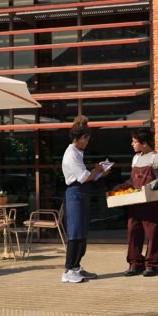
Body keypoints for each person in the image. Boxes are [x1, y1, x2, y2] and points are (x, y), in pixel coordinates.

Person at [113, 128, 158, 277]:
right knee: (133, 232)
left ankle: (152, 264)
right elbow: (133, 180)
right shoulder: (136, 158)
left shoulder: (157, 158)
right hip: (135, 202)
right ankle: (135, 263)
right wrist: (123, 185)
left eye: (134, 141)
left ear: (144, 143)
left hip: (152, 203)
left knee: (153, 234)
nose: (132, 144)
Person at [61, 115, 108, 283]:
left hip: (80, 192)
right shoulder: (72, 154)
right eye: (87, 139)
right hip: (75, 193)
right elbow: (83, 177)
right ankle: (69, 269)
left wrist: (98, 172)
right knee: (75, 232)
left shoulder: (76, 152)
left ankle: (76, 267)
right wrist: (98, 170)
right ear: (82, 138)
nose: (88, 142)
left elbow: (86, 177)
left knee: (81, 231)